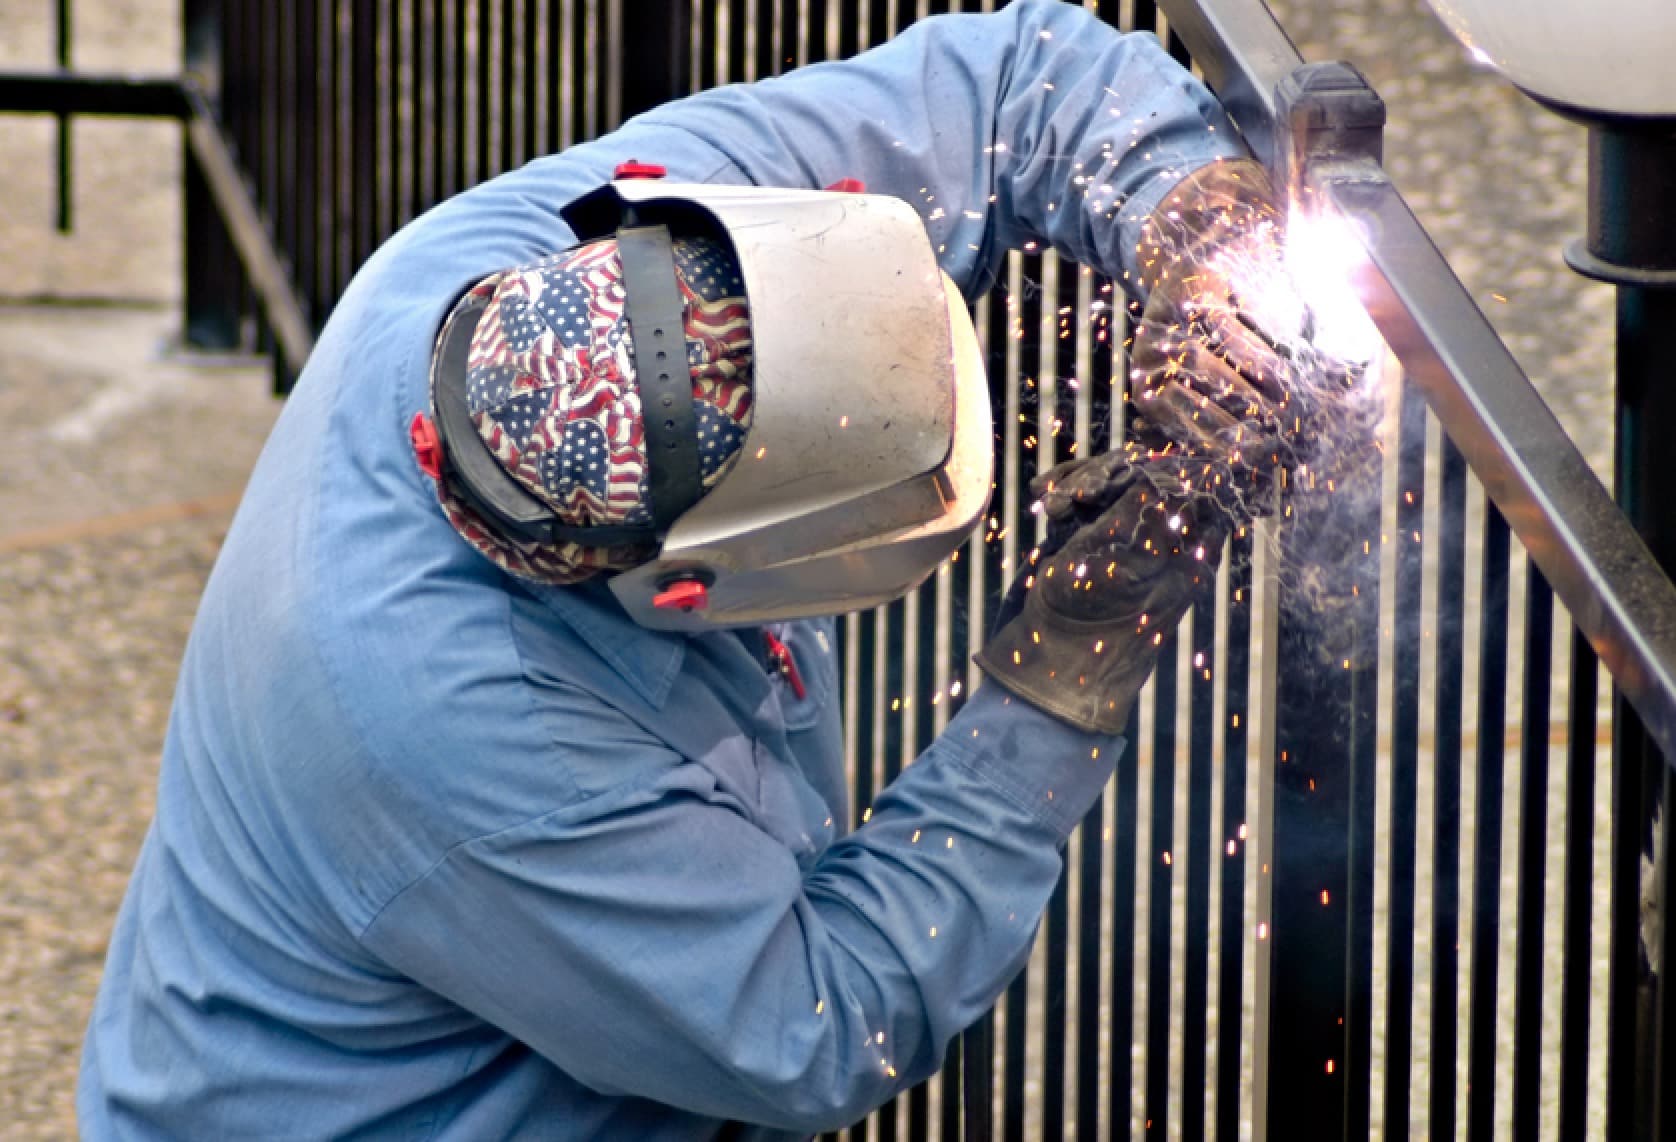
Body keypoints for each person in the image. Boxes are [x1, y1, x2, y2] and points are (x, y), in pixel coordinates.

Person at [78, 1, 1343, 1137]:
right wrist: (1062, 671)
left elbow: (1013, 81)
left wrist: (1190, 224)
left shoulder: (548, 244)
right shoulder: (480, 745)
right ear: (689, 589)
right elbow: (820, 1017)